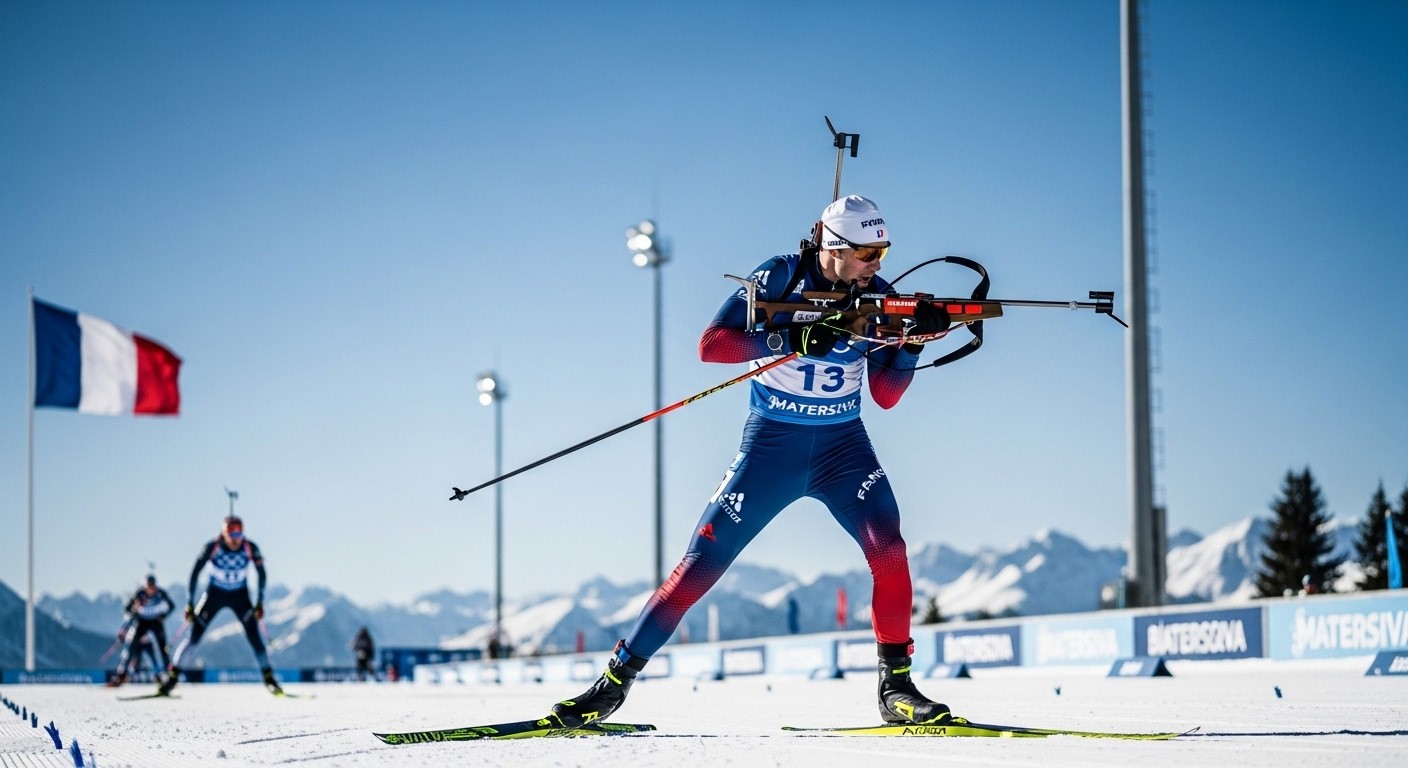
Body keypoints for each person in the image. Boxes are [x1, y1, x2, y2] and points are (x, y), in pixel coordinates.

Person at [549, 195, 951, 728]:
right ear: (834, 245)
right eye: (866, 253)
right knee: (699, 565)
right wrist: (790, 336)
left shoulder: (879, 297)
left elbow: (885, 395)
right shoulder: (780, 276)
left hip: (843, 450)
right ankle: (611, 685)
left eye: (883, 251)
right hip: (770, 451)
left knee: (890, 550)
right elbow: (711, 346)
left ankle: (896, 688)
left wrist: (911, 345)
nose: (877, 264)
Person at [156, 515, 282, 695]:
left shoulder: (250, 548)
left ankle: (270, 679)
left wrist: (260, 601)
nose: (236, 539)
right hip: (214, 595)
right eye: (232, 534)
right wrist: (190, 603)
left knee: (255, 637)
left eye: (239, 533)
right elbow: (194, 574)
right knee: (193, 637)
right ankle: (172, 678)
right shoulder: (211, 547)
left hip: (240, 596)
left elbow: (262, 574)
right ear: (224, 533)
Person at [107, 574, 174, 687]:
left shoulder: (161, 593)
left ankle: (168, 675)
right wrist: (135, 609)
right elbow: (127, 609)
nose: (151, 589)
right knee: (131, 647)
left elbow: (172, 606)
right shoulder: (139, 594)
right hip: (141, 621)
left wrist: (164, 615)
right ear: (145, 585)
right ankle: (121, 674)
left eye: (153, 586)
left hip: (155, 621)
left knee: (162, 647)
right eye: (149, 586)